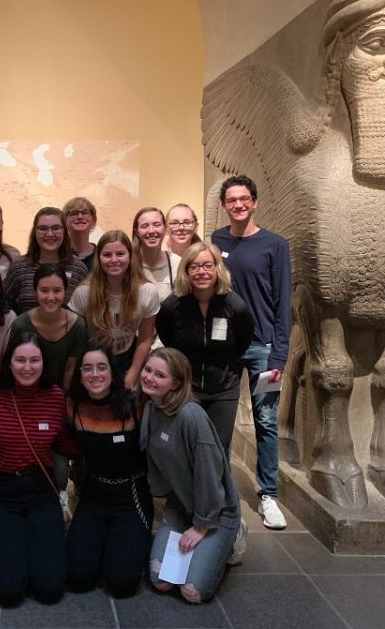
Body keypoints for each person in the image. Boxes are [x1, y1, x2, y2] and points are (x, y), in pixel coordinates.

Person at [211, 175, 291, 530]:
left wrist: (279, 357)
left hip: (263, 348)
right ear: (224, 205)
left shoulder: (275, 244)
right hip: (225, 348)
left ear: (254, 202)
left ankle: (269, 495)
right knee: (221, 421)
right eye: (232, 200)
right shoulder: (216, 241)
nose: (238, 205)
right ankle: (222, 492)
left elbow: (282, 302)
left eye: (244, 199)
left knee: (266, 422)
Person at [141, 348, 242, 604]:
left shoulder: (191, 416)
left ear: (176, 383)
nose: (150, 378)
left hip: (216, 511)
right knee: (160, 581)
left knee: (192, 592)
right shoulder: (152, 407)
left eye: (160, 375)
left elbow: (209, 473)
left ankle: (232, 536)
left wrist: (201, 526)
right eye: (148, 370)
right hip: (182, 504)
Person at [0, 333, 75, 606]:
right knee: (7, 593)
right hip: (0, 492)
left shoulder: (56, 396)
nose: (27, 367)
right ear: (8, 363)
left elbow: (66, 442)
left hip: (40, 489)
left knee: (50, 589)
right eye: (20, 360)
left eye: (34, 360)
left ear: (44, 363)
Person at [66, 343, 151, 598]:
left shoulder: (136, 403)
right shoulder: (73, 407)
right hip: (93, 496)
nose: (95, 374)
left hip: (131, 497)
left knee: (122, 584)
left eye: (102, 367)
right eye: (88, 368)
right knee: (78, 579)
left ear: (113, 372)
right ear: (80, 374)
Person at [156, 241, 255, 455]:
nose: (202, 272)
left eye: (208, 266)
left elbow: (243, 341)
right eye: (195, 266)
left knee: (217, 452)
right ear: (186, 271)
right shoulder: (173, 306)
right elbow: (166, 337)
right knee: (187, 449)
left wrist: (225, 367)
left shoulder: (235, 306)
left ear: (217, 268)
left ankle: (216, 490)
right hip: (187, 391)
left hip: (223, 390)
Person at [69, 230, 159, 390]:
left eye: (120, 254)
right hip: (93, 361)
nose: (114, 260)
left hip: (128, 359)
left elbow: (145, 340)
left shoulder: (147, 291)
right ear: (98, 258)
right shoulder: (83, 292)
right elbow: (75, 341)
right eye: (107, 255)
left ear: (130, 256)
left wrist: (132, 373)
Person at [7, 264, 88, 388]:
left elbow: (69, 370)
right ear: (35, 291)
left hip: (61, 395)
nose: (51, 297)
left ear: (65, 291)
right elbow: (14, 364)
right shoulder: (21, 324)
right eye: (44, 290)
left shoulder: (78, 325)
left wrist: (62, 400)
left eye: (57, 290)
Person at [4, 207, 88, 315]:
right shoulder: (18, 268)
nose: (49, 234)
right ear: (35, 232)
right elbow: (6, 307)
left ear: (64, 231)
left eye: (56, 228)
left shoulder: (78, 269)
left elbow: (86, 310)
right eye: (43, 228)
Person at [133, 207, 182, 303]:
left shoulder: (177, 263)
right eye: (144, 226)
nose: (151, 231)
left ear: (165, 229)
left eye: (157, 225)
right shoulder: (127, 263)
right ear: (137, 232)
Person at [63, 197, 97, 271]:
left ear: (94, 220)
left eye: (85, 212)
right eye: (74, 213)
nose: (80, 217)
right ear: (65, 221)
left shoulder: (101, 255)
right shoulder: (58, 255)